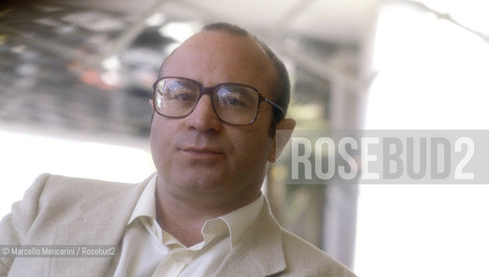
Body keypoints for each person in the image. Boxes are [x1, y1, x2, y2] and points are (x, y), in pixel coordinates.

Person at [0, 22, 356, 276]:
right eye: (181, 94)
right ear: (155, 108)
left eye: (233, 100)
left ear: (278, 138)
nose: (201, 121)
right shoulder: (47, 206)